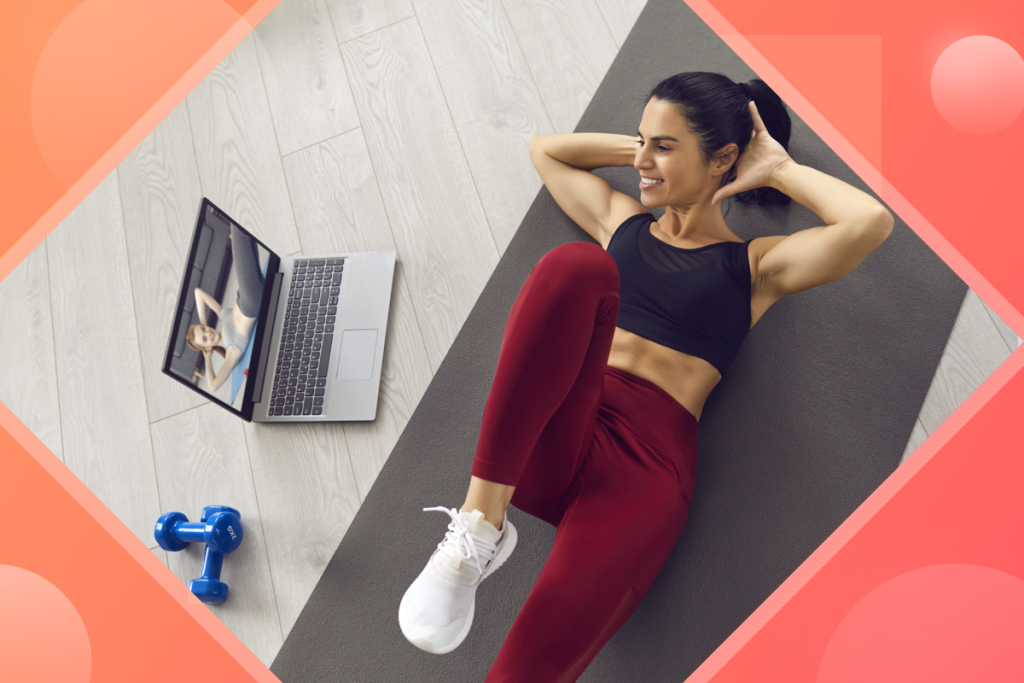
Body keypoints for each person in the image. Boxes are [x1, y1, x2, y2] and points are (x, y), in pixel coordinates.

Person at [398, 72, 894, 681]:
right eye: (642, 141)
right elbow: (544, 150)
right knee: (576, 266)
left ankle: (485, 535)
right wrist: (649, 151)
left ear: (724, 159)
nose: (642, 160)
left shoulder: (756, 265)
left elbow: (868, 224)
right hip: (554, 431)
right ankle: (478, 526)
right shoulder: (623, 224)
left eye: (664, 146)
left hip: (644, 474)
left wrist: (775, 168)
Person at [186, 224, 266, 393]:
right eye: (206, 339)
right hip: (251, 301)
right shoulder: (231, 352)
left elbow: (198, 292)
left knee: (244, 230)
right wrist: (207, 356)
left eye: (204, 330)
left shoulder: (222, 318)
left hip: (251, 291)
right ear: (207, 348)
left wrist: (203, 324)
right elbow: (213, 386)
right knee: (238, 228)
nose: (208, 333)